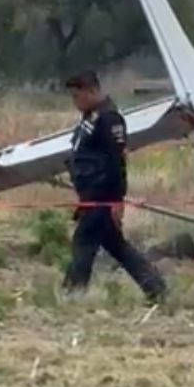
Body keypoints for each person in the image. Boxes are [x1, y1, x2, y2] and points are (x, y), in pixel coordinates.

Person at [63, 71, 167, 301]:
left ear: (92, 91)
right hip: (90, 193)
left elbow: (116, 162)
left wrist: (116, 201)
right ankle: (156, 288)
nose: (75, 102)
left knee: (83, 243)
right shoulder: (90, 117)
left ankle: (72, 294)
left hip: (102, 195)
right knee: (116, 246)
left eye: (77, 96)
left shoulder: (110, 119)